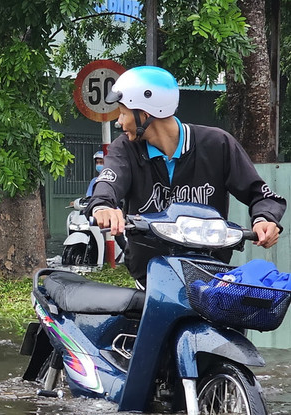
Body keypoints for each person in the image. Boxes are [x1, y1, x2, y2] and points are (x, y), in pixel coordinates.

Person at [87, 65, 286, 285]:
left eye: (123, 113)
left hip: (211, 280)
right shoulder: (125, 148)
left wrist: (264, 219)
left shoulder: (218, 144)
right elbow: (109, 180)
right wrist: (103, 205)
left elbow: (262, 195)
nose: (120, 122)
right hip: (151, 282)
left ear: (144, 114)